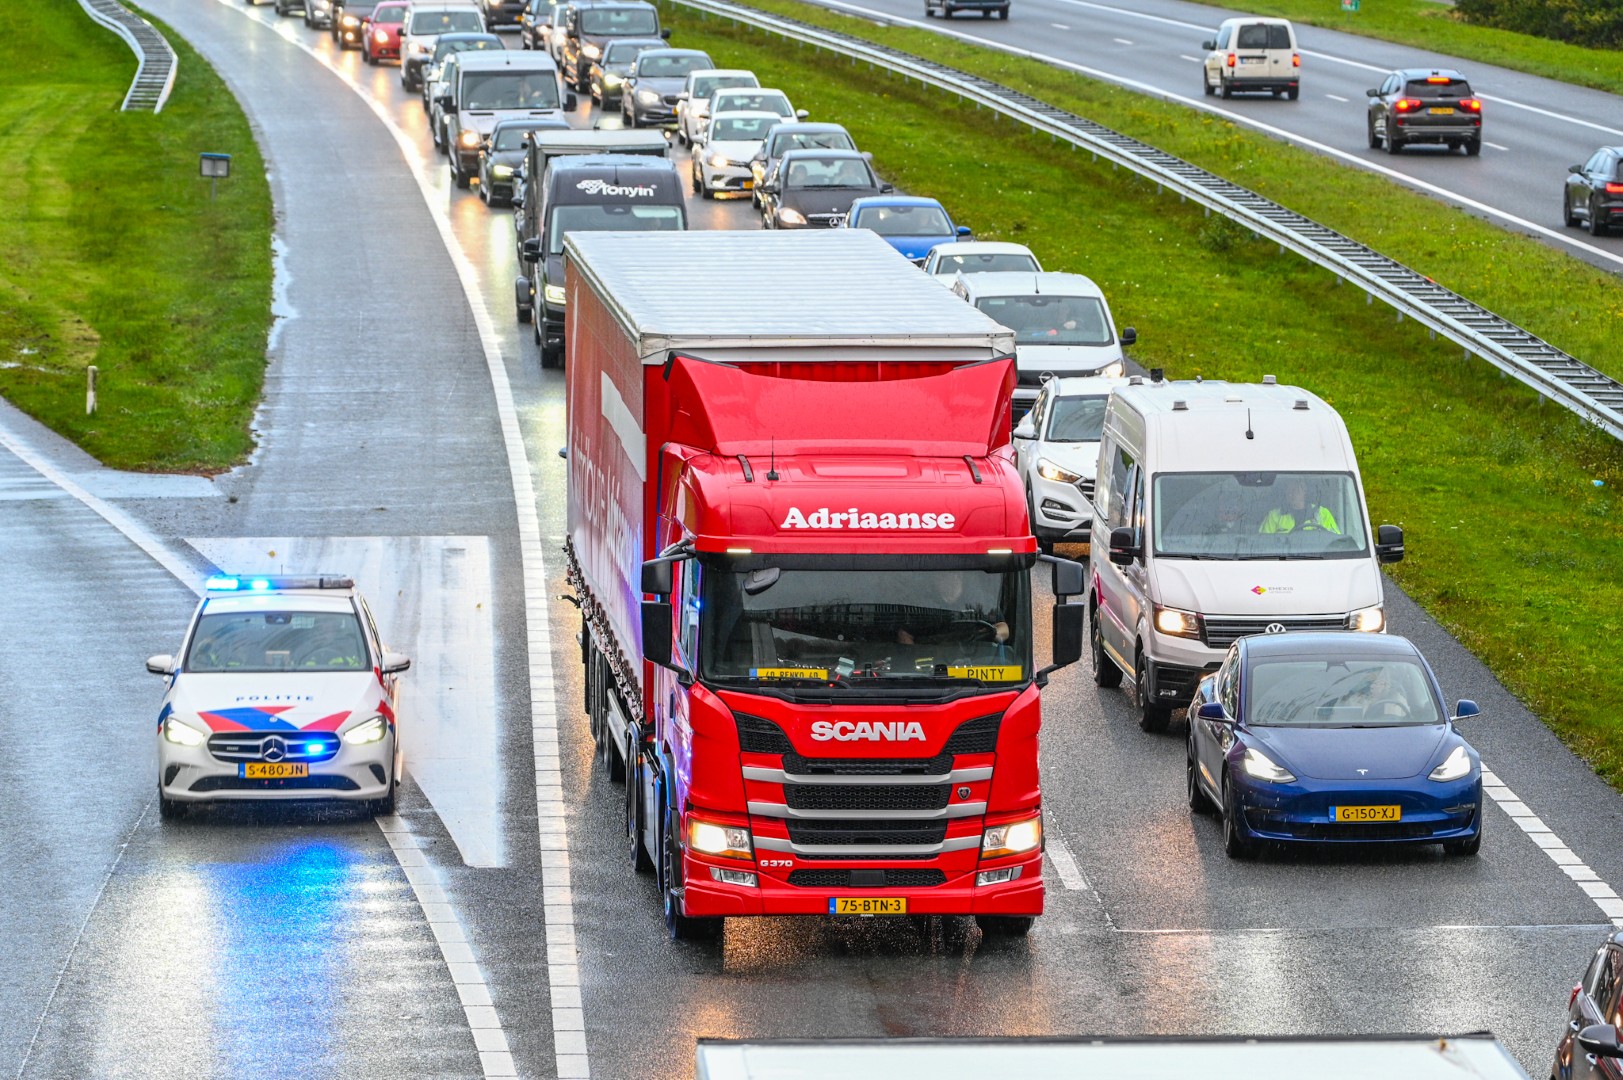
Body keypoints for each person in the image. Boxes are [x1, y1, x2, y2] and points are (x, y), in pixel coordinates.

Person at [1259, 476, 1340, 534]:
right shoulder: (1274, 516)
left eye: (1295, 489)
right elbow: (1263, 544)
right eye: (1288, 489)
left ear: (1304, 490)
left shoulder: (1323, 514)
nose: (1291, 493)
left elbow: (1335, 542)